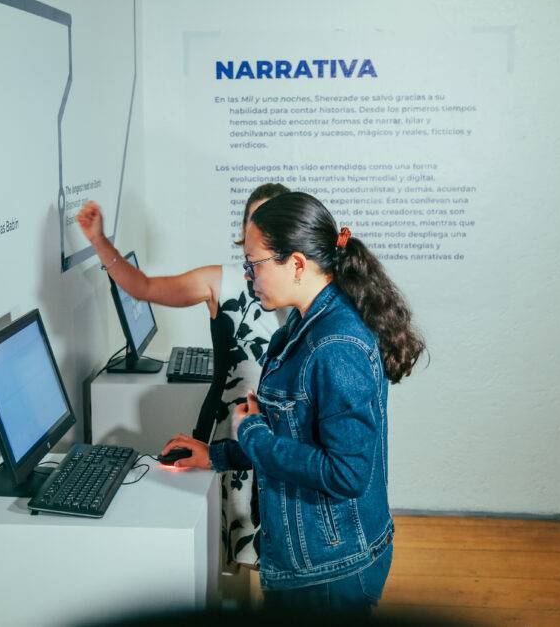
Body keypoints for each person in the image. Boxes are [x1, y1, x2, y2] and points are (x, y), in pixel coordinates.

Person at [162, 192, 425, 613]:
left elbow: (347, 473)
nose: (248, 276)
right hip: (314, 561)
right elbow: (294, 435)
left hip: (331, 571)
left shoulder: (336, 345)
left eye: (255, 264)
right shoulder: (305, 322)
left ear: (297, 263)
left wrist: (250, 433)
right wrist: (217, 455)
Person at [75, 183, 289, 571]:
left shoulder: (298, 289)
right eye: (257, 221)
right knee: (225, 550)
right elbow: (144, 287)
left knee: (273, 550)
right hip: (225, 430)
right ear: (244, 231)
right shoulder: (218, 281)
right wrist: (99, 241)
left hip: (276, 436)